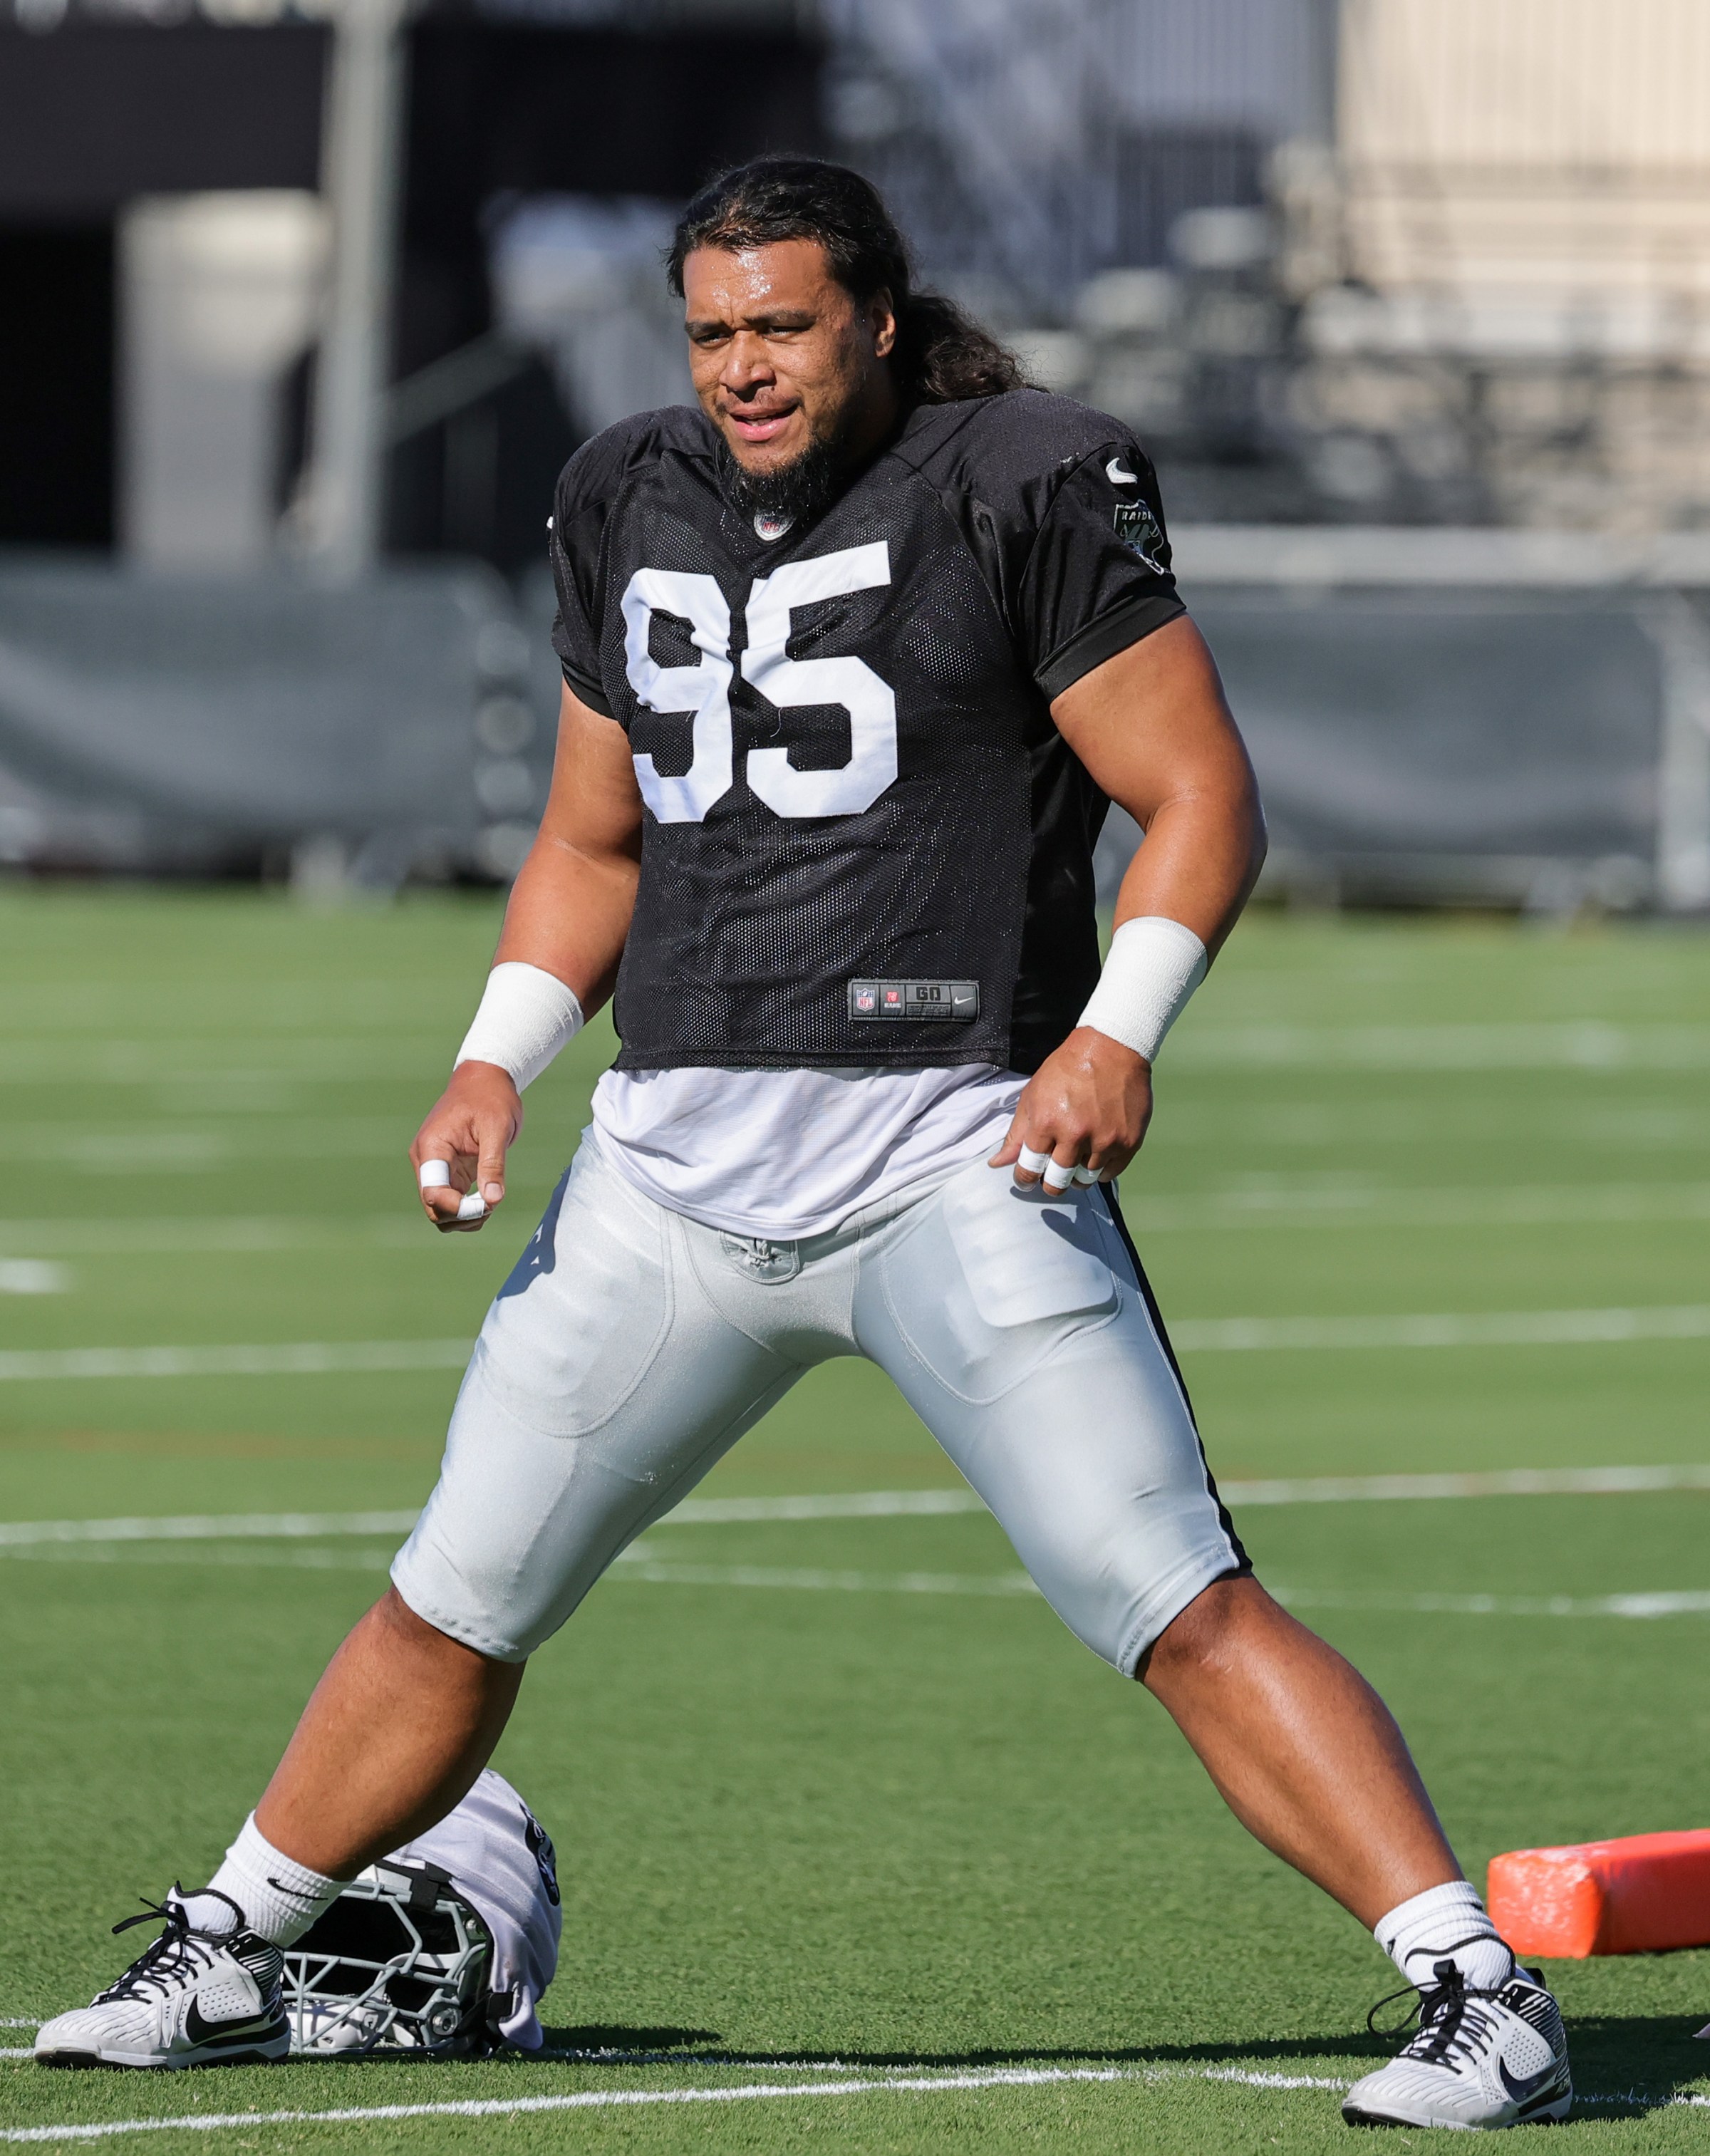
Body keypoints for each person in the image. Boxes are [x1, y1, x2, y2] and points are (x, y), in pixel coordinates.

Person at [37, 157, 1568, 2131]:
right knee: (456, 1591)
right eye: (711, 330)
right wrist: (497, 1054)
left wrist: (1119, 1030)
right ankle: (234, 1941)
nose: (743, 366)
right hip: (673, 1166)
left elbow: (1197, 792)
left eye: (779, 324)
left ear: (872, 316)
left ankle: (1478, 1985)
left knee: (1172, 1591)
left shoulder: (1024, 471)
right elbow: (594, 843)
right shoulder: (626, 491)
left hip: (954, 1149)